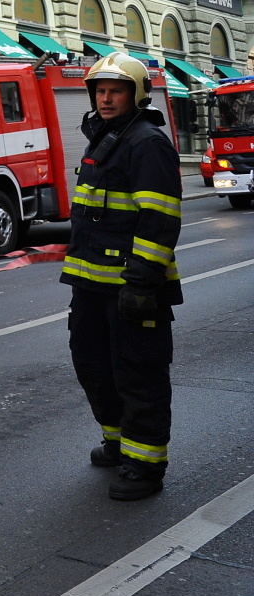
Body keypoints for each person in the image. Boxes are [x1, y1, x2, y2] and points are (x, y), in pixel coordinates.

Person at [60, 53, 182, 501]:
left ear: (136, 94)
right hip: (91, 285)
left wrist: (141, 283)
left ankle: (145, 466)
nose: (106, 98)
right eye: (100, 91)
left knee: (138, 374)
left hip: (133, 287)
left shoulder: (145, 142)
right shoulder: (105, 136)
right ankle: (118, 442)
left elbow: (160, 219)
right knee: (93, 366)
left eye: (116, 90)